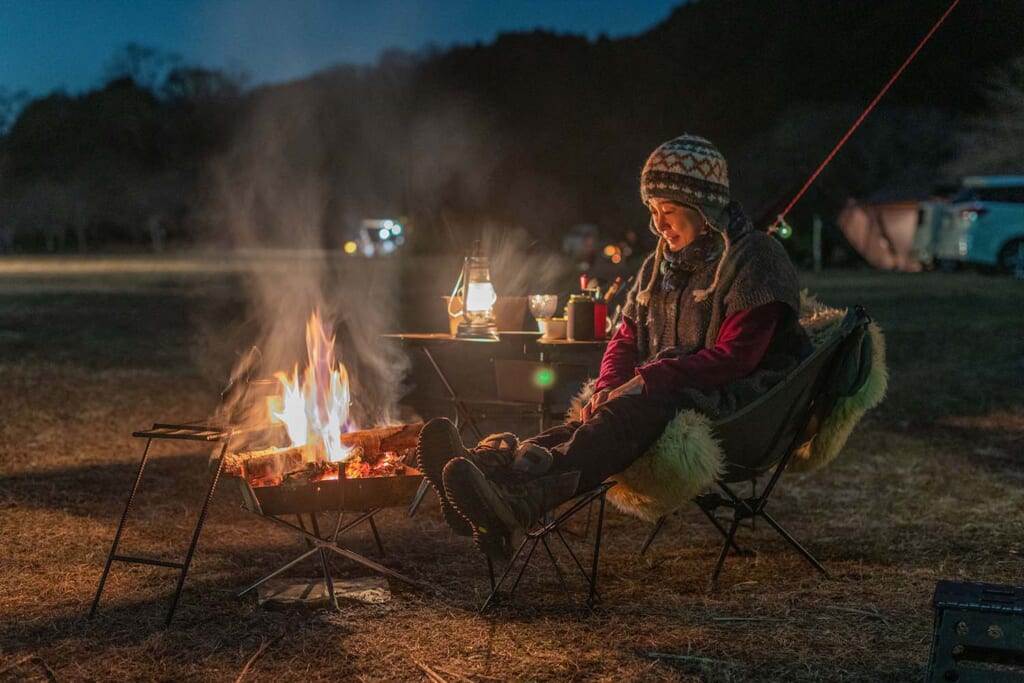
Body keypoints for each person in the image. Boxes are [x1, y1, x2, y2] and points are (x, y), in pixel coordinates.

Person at [417, 134, 811, 560]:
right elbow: (625, 336)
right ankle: (487, 483)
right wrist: (609, 384)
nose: (660, 224)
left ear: (706, 209)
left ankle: (514, 499)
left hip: (737, 407)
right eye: (654, 211)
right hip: (667, 394)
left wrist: (642, 383)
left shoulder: (756, 260)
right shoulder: (657, 266)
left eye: (671, 211)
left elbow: (739, 358)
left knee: (629, 410)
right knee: (595, 420)